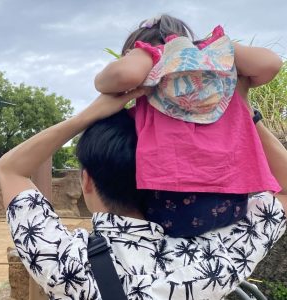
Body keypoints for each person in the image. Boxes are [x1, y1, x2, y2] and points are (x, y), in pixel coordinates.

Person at [0, 90, 286, 299]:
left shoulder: (67, 264)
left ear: (86, 181)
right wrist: (244, 111)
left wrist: (87, 116)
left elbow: (11, 169)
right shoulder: (210, 262)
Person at [93, 14, 283, 237]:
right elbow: (271, 63)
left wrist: (139, 55)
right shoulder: (217, 73)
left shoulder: (150, 61)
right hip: (234, 202)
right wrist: (223, 48)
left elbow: (123, 75)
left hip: (169, 207)